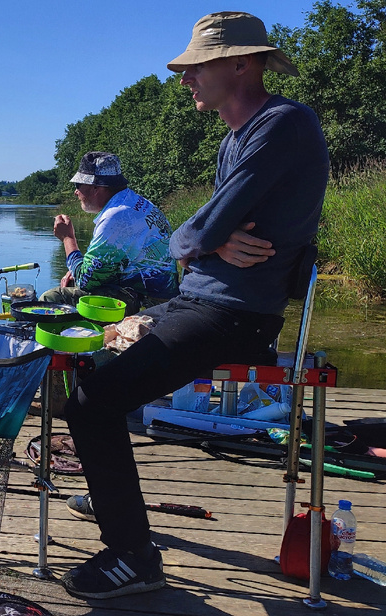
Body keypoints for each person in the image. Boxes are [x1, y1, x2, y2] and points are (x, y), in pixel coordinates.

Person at [59, 11, 328, 599]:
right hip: (196, 301)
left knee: (92, 400)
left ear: (240, 62)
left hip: (234, 317)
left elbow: (202, 230)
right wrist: (204, 239)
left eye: (195, 67)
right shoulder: (238, 137)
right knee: (78, 361)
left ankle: (134, 556)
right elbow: (189, 238)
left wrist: (205, 237)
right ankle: (113, 501)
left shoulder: (283, 125)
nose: (185, 80)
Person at [40, 152, 178, 313]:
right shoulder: (135, 202)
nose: (75, 192)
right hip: (158, 296)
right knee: (73, 281)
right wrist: (77, 268)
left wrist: (67, 238)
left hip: (147, 303)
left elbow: (85, 280)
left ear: (96, 187)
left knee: (52, 298)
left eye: (78, 185)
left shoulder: (115, 217)